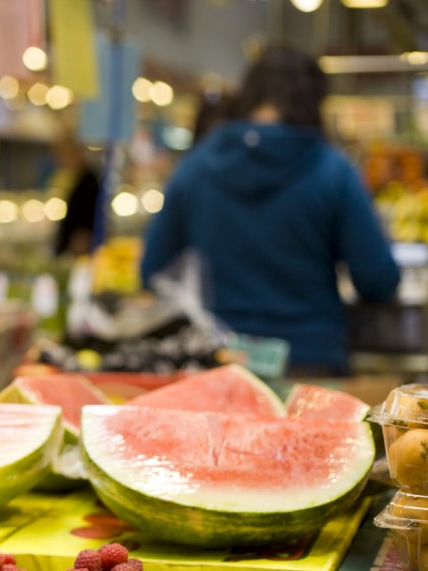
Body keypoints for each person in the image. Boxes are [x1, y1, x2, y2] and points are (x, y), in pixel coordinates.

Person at [140, 46, 401, 374]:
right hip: (311, 359)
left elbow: (152, 270)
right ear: (314, 100)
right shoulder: (333, 171)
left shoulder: (195, 166)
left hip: (220, 360)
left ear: (248, 93)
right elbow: (377, 279)